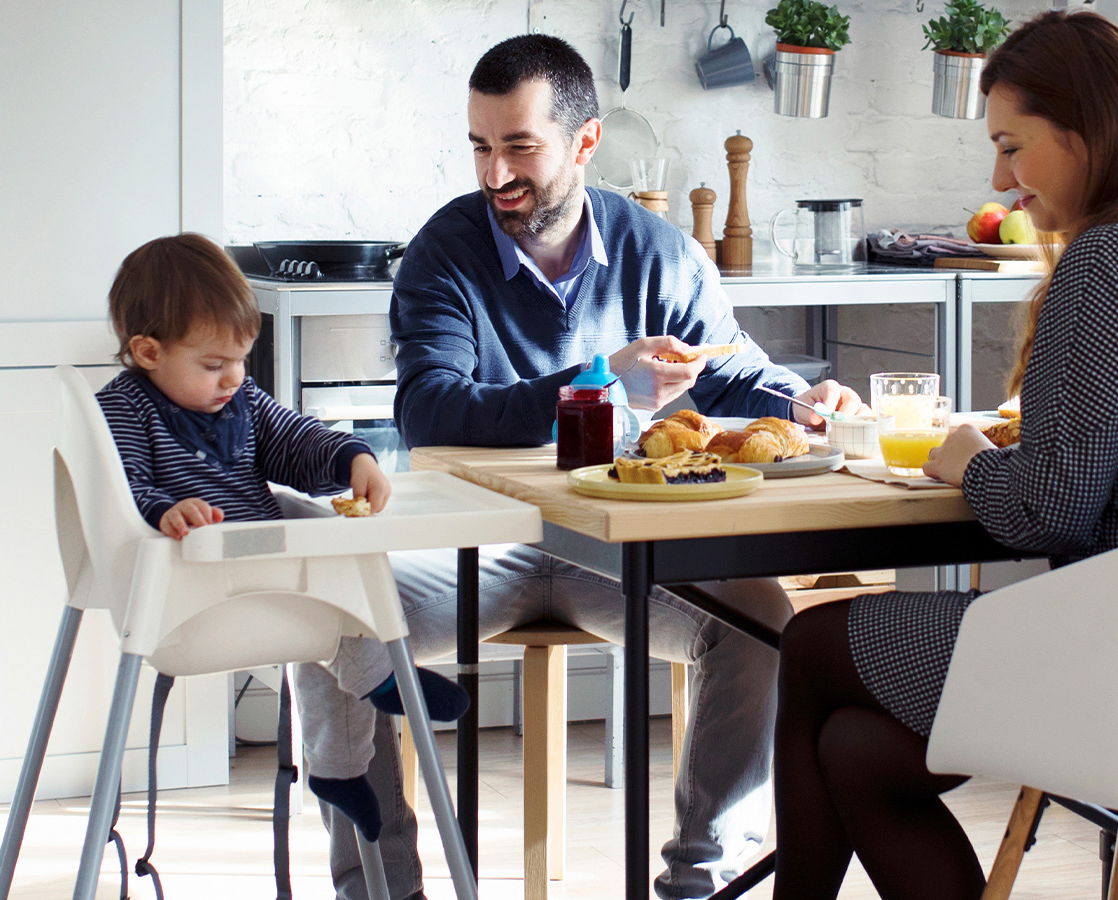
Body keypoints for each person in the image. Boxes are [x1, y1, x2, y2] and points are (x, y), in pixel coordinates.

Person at [311, 33, 867, 900]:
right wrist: (598, 382)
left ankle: (702, 885)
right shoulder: (443, 253)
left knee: (763, 619)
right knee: (325, 614)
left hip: (616, 548)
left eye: (520, 147)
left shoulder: (658, 251)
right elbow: (430, 409)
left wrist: (803, 403)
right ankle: (384, 890)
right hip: (481, 546)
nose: (496, 174)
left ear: (586, 142)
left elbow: (731, 369)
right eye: (480, 147)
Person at [770, 10, 1118, 900]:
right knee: (857, 751)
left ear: (1085, 128)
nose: (999, 180)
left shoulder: (1110, 258)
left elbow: (1046, 511)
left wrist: (967, 460)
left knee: (813, 642)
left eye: (1011, 147)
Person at [95, 233, 469, 846]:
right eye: (213, 365)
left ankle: (338, 771)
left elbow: (295, 439)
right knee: (336, 613)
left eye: (241, 360)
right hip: (196, 585)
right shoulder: (124, 409)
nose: (233, 378)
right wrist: (165, 511)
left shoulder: (240, 399)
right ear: (147, 351)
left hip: (265, 564)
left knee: (345, 566)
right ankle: (383, 683)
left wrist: (352, 458)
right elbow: (121, 484)